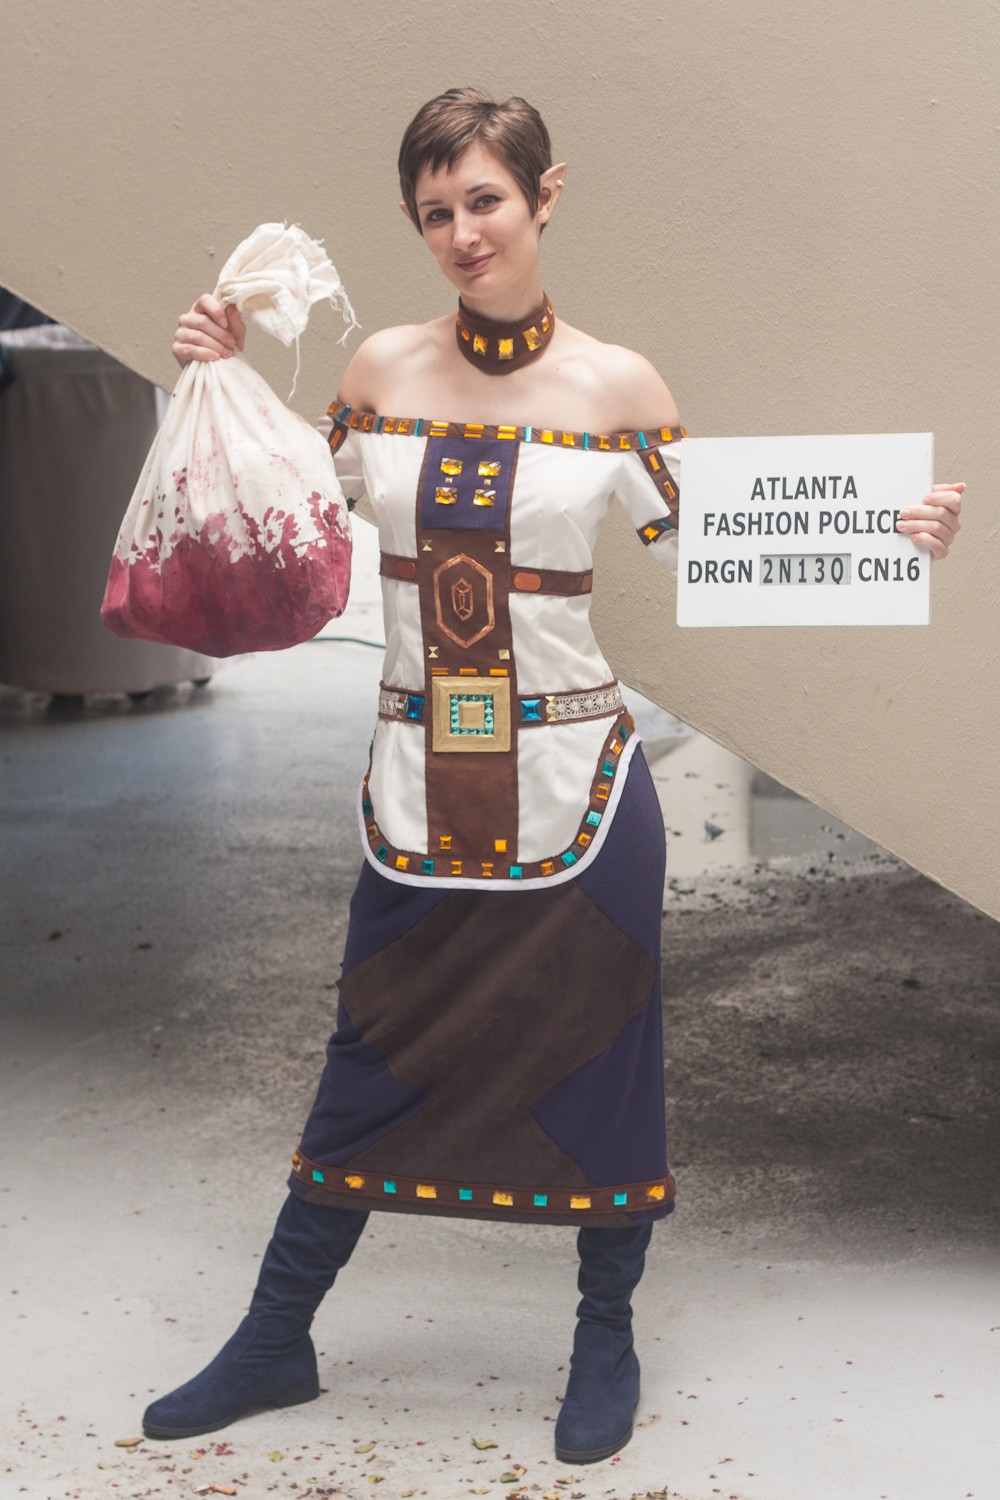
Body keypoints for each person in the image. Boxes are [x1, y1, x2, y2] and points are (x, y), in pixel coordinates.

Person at [143, 88, 964, 1464]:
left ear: (545, 197)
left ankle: (604, 1343)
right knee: (369, 1060)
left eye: (486, 200)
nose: (464, 232)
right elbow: (281, 517)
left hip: (581, 789)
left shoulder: (617, 387)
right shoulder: (378, 373)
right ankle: (275, 1339)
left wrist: (893, 537)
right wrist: (216, 383)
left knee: (602, 1070)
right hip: (418, 792)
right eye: (436, 212)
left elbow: (722, 543)